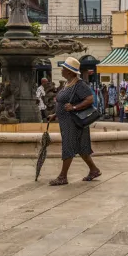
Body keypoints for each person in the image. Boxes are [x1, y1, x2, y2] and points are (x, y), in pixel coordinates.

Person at [46, 57, 101, 186]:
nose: (61, 71)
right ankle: (94, 170)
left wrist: (74, 107)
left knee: (68, 147)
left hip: (73, 122)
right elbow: (64, 103)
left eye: (63, 69)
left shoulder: (79, 84)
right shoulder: (68, 83)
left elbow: (89, 99)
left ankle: (62, 177)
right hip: (67, 121)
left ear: (70, 72)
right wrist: (56, 114)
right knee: (81, 148)